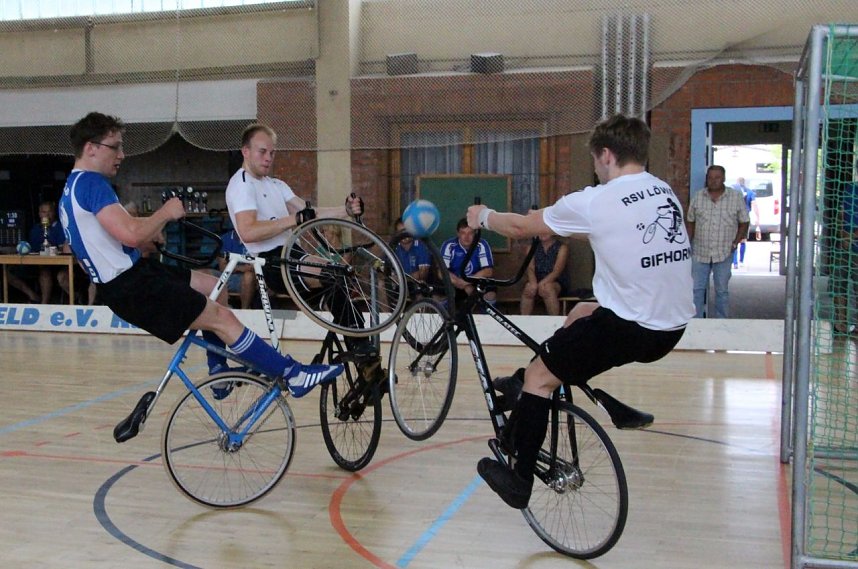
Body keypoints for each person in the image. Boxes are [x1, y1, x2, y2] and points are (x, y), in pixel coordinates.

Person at [465, 114, 694, 510]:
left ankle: (519, 480)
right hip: (672, 328)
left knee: (542, 377)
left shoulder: (596, 200)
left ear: (605, 155)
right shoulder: (662, 191)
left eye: (594, 159)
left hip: (631, 328)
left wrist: (483, 217)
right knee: (583, 313)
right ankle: (534, 382)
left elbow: (522, 227)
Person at [58, 111, 342, 399]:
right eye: (115, 146)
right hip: (132, 285)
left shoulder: (71, 189)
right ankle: (292, 374)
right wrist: (165, 214)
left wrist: (131, 247)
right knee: (224, 320)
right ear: (91, 148)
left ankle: (218, 371)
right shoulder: (92, 183)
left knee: (212, 287)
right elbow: (131, 232)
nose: (122, 154)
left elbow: (95, 249)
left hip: (130, 277)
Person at [224, 122, 373, 355]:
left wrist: (345, 210)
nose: (268, 158)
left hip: (293, 255)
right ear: (246, 151)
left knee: (339, 273)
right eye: (262, 152)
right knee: (332, 274)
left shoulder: (276, 185)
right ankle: (359, 345)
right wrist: (292, 219)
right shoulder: (240, 185)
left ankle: (358, 345)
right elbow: (248, 231)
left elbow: (308, 212)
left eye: (272, 153)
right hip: (270, 262)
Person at [687, 165, 749, 318]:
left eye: (717, 177)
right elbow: (690, 221)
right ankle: (696, 322)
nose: (713, 181)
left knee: (721, 290)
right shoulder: (698, 196)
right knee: (696, 289)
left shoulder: (735, 197)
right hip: (700, 251)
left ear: (724, 179)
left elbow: (744, 221)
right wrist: (687, 244)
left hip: (724, 251)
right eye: (710, 177)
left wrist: (735, 242)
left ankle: (722, 321)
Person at [440, 217, 496, 308]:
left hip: (474, 281)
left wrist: (466, 282)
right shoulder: (449, 245)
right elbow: (441, 272)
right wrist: (460, 283)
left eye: (470, 233)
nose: (466, 237)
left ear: (475, 234)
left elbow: (488, 271)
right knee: (437, 294)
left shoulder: (481, 244)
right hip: (454, 281)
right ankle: (444, 319)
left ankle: (487, 320)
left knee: (490, 293)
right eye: (463, 233)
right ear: (458, 233)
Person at [520, 234, 570, 316]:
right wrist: (533, 283)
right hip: (537, 279)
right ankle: (523, 321)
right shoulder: (531, 248)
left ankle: (554, 323)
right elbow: (530, 268)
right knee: (529, 288)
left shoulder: (562, 247)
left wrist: (543, 283)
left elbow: (557, 271)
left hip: (556, 281)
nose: (542, 233)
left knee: (547, 288)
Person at [833, 182, 858, 334]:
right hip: (844, 246)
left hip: (853, 244)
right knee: (838, 283)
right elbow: (841, 214)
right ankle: (840, 322)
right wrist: (842, 234)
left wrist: (853, 236)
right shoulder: (850, 189)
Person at [218, 229, 257, 309]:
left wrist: (236, 268)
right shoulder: (225, 238)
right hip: (228, 277)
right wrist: (243, 268)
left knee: (248, 276)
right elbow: (222, 267)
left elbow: (257, 266)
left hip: (253, 278)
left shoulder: (258, 238)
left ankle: (244, 311)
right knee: (202, 274)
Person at [730, 177, 761, 269]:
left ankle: (734, 262)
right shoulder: (750, 192)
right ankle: (741, 261)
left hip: (734, 218)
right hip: (745, 217)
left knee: (735, 239)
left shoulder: (733, 192)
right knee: (743, 240)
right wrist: (758, 219)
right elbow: (754, 205)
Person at [393, 217, 431, 283]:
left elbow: (423, 274)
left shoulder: (421, 245)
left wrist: (401, 279)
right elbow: (381, 263)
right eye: (401, 232)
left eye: (406, 231)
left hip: (415, 283)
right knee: (381, 282)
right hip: (396, 284)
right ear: (396, 233)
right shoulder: (393, 245)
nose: (404, 235)